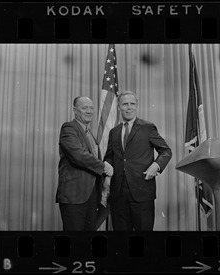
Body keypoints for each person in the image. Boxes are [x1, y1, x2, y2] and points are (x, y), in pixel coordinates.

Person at [104, 91, 172, 231]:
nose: (129, 107)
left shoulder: (148, 127)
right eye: (125, 104)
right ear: (119, 107)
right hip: (118, 194)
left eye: (132, 104)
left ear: (136, 106)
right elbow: (110, 156)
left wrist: (156, 165)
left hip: (142, 190)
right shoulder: (114, 132)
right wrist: (106, 163)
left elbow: (166, 151)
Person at [56, 96, 113, 231]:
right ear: (75, 111)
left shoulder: (90, 134)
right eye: (84, 108)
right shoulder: (69, 128)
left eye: (91, 108)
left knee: (88, 241)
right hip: (75, 196)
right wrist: (103, 166)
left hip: (92, 196)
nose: (89, 111)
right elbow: (78, 155)